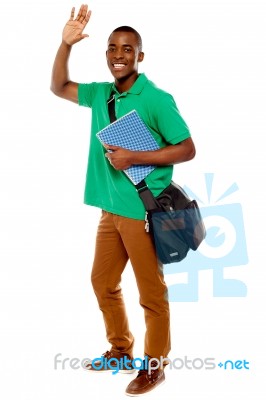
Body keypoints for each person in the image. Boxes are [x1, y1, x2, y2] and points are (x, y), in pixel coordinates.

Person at [50, 4, 196, 397]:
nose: (119, 54)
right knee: (102, 282)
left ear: (140, 56)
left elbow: (187, 149)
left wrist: (135, 158)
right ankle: (119, 350)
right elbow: (59, 87)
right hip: (109, 211)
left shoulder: (157, 99)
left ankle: (156, 366)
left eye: (127, 48)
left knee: (151, 294)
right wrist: (64, 46)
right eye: (113, 47)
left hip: (142, 213)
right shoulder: (101, 95)